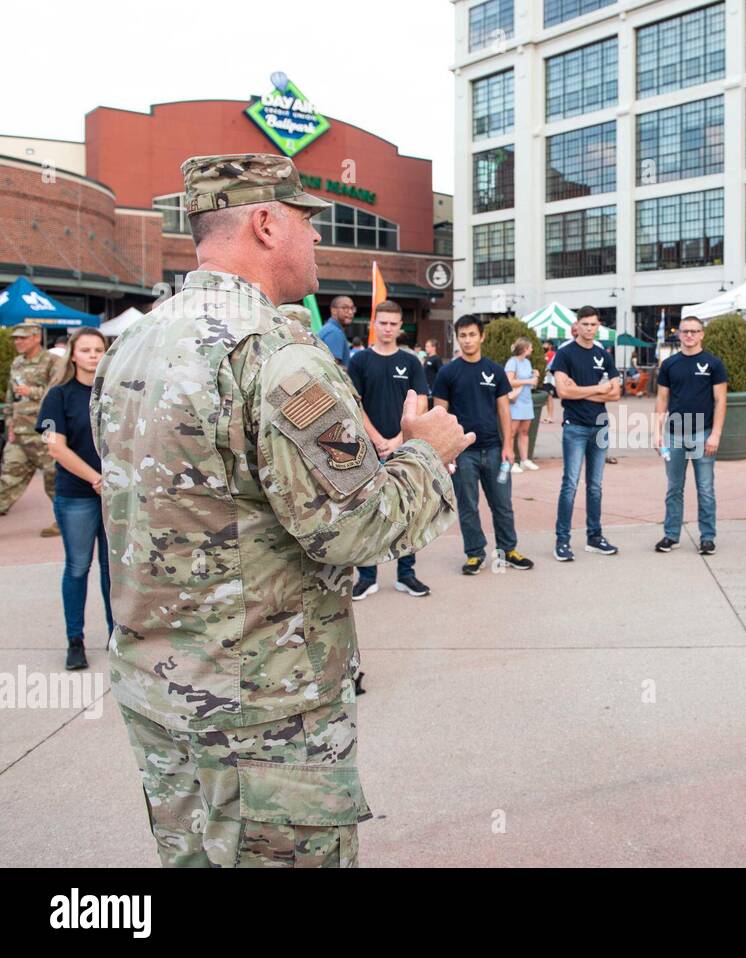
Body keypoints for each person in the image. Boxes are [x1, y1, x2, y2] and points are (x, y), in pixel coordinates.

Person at [91, 153, 471, 868]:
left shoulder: (133, 341)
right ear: (266, 224)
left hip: (163, 694)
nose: (318, 241)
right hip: (265, 713)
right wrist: (427, 453)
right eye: (308, 222)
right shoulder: (276, 353)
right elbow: (356, 525)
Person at [37, 327, 113, 670]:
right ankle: (75, 640)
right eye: (86, 350)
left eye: (99, 349)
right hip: (77, 496)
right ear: (73, 354)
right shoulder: (59, 395)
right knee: (78, 567)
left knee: (114, 572)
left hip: (113, 496)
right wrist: (95, 478)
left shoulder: (114, 392)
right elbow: (55, 446)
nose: (93, 355)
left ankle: (117, 636)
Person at [433, 317, 534, 575]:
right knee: (468, 506)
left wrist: (508, 446)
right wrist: (447, 452)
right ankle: (474, 554)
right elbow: (439, 415)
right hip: (462, 453)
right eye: (463, 335)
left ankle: (508, 549)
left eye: (471, 335)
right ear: (458, 338)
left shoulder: (495, 370)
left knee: (502, 504)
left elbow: (503, 410)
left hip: (494, 449)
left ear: (482, 336)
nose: (467, 340)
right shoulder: (448, 373)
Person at [348, 301, 432, 599]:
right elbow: (354, 404)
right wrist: (377, 439)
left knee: (407, 511)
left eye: (393, 324)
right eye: (382, 323)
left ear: (400, 327)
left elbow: (421, 402)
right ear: (375, 323)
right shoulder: (359, 362)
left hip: (403, 448)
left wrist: (398, 438)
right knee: (369, 514)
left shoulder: (411, 363)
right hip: (368, 451)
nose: (387, 328)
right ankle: (367, 576)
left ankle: (406, 574)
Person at [652, 315, 727, 555]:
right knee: (674, 488)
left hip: (702, 434)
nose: (690, 335)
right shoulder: (670, 364)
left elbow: (720, 401)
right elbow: (662, 400)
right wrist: (657, 433)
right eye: (685, 331)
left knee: (705, 488)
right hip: (674, 435)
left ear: (702, 334)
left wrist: (715, 434)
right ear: (679, 334)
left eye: (694, 331)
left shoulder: (714, 364)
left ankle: (707, 537)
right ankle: (671, 535)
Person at [550, 307, 621, 560]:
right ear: (576, 326)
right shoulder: (564, 354)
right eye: (585, 324)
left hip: (599, 426)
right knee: (570, 485)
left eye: (593, 324)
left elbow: (615, 393)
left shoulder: (604, 354)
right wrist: (597, 389)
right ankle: (562, 541)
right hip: (575, 427)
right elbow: (563, 392)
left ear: (597, 326)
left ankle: (594, 537)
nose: (589, 328)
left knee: (596, 487)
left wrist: (581, 389)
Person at [0, 323, 61, 536]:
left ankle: (64, 521)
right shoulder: (17, 362)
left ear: (36, 338)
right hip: (19, 432)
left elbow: (56, 393)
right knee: (7, 480)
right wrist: (9, 421)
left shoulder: (52, 362)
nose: (18, 342)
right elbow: (11, 395)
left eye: (23, 338)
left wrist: (31, 391)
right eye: (16, 338)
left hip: (44, 432)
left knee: (54, 481)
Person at [504, 337, 539, 472]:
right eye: (530, 347)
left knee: (524, 432)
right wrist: (528, 382)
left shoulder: (527, 362)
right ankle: (511, 462)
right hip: (516, 402)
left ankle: (524, 460)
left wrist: (534, 376)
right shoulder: (512, 362)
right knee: (511, 432)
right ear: (524, 349)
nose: (532, 349)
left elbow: (532, 381)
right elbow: (510, 381)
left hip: (526, 401)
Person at [316, 296, 353, 364]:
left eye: (352, 308)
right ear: (333, 310)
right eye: (345, 308)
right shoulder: (334, 333)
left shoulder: (330, 328)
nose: (350, 312)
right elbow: (334, 367)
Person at [541, 340, 557, 423]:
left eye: (545, 344)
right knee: (547, 398)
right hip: (544, 379)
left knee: (549, 397)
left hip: (549, 379)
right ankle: (548, 416)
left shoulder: (551, 354)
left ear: (550, 345)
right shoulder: (545, 354)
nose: (544, 345)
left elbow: (547, 365)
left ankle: (550, 417)